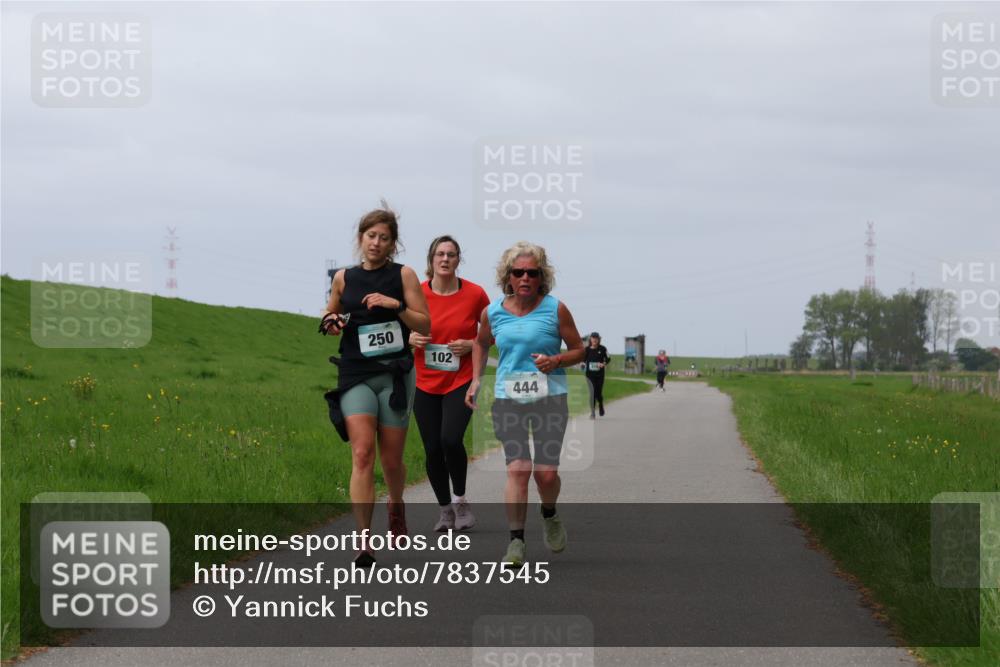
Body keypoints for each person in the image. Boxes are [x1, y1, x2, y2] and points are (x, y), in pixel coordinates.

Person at [321, 201, 430, 567]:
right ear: (361, 238)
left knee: (391, 459)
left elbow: (423, 325)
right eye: (371, 236)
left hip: (395, 374)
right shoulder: (343, 277)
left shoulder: (404, 276)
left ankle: (396, 503)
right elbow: (329, 313)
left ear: (393, 244)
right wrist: (332, 322)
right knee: (363, 453)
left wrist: (394, 304)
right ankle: (364, 541)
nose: (377, 243)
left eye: (384, 238)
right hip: (355, 372)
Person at [465, 241, 585, 567]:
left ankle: (549, 513)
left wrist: (557, 359)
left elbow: (579, 349)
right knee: (519, 470)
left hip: (550, 398)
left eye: (532, 272)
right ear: (508, 276)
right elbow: (479, 343)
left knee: (545, 475)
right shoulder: (492, 312)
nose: (525, 278)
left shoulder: (555, 309)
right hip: (508, 400)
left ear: (541, 276)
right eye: (519, 272)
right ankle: (516, 543)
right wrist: (477, 379)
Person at [409, 235, 490, 533]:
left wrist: (471, 343)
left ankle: (461, 501)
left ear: (458, 260)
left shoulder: (474, 294)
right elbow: (397, 325)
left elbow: (491, 333)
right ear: (431, 260)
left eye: (451, 255)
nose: (445, 259)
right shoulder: (415, 293)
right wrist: (409, 338)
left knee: (450, 439)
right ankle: (445, 511)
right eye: (440, 254)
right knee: (431, 448)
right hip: (424, 382)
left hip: (461, 379)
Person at [582, 332, 610, 418]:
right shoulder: (586, 350)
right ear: (590, 339)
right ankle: (592, 412)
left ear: (598, 339)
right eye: (593, 338)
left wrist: (603, 363)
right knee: (592, 393)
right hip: (589, 375)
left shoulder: (603, 349)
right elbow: (583, 360)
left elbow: (608, 358)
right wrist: (582, 364)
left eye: (596, 338)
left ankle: (601, 404)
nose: (594, 339)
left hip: (599, 375)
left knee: (598, 393)